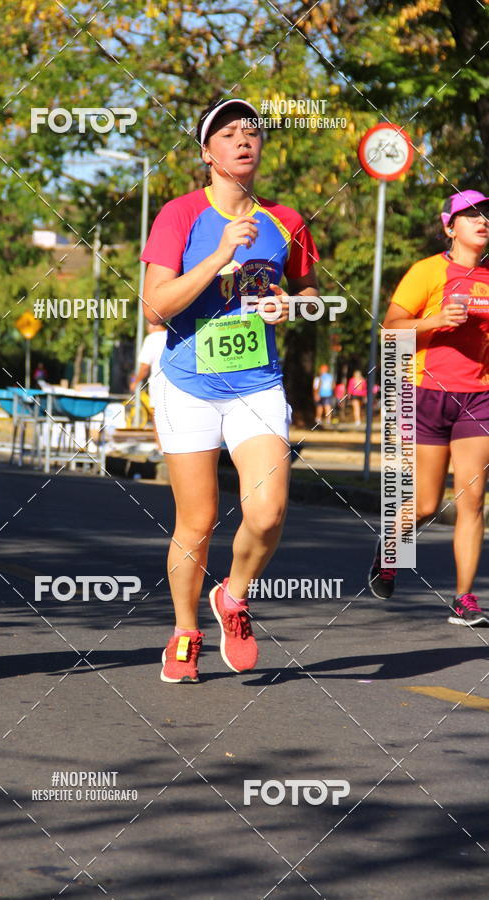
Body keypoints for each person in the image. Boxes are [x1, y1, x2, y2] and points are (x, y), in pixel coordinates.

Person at [141, 97, 320, 683]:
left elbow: (312, 295)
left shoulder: (286, 220)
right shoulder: (180, 215)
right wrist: (219, 254)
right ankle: (184, 634)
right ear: (207, 153)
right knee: (199, 519)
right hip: (187, 385)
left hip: (257, 384)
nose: (244, 139)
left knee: (267, 513)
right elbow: (153, 309)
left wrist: (288, 305)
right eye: (228, 132)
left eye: (252, 131)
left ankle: (233, 597)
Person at [368, 189, 489, 626]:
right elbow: (390, 329)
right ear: (449, 225)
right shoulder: (427, 271)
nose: (482, 220)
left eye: (485, 215)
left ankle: (464, 599)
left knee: (471, 500)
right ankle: (389, 550)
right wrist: (434, 321)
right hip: (427, 394)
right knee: (423, 505)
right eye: (470, 214)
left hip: (478, 397)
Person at [129, 323, 167, 451]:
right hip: (177, 383)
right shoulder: (174, 334)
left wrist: (134, 381)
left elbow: (144, 367)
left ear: (152, 325)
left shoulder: (151, 339)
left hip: (158, 384)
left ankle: (161, 449)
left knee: (157, 416)